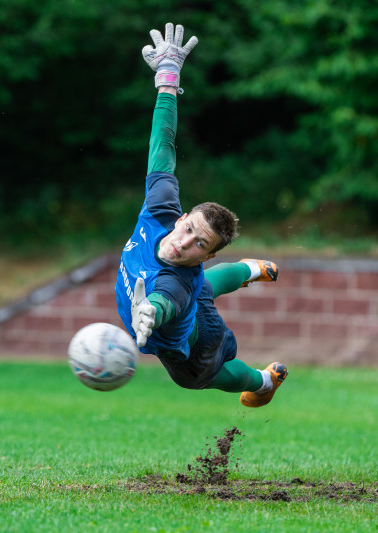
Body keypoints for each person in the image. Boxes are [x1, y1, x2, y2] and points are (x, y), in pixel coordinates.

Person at [114, 22, 287, 408]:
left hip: (195, 345)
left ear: (208, 255)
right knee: (203, 287)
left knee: (207, 375)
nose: (185, 243)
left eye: (199, 244)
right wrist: (167, 81)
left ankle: (262, 382)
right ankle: (252, 269)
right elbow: (163, 144)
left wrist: (151, 314)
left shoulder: (175, 284)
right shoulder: (160, 207)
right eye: (189, 229)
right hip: (192, 293)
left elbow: (166, 302)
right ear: (180, 218)